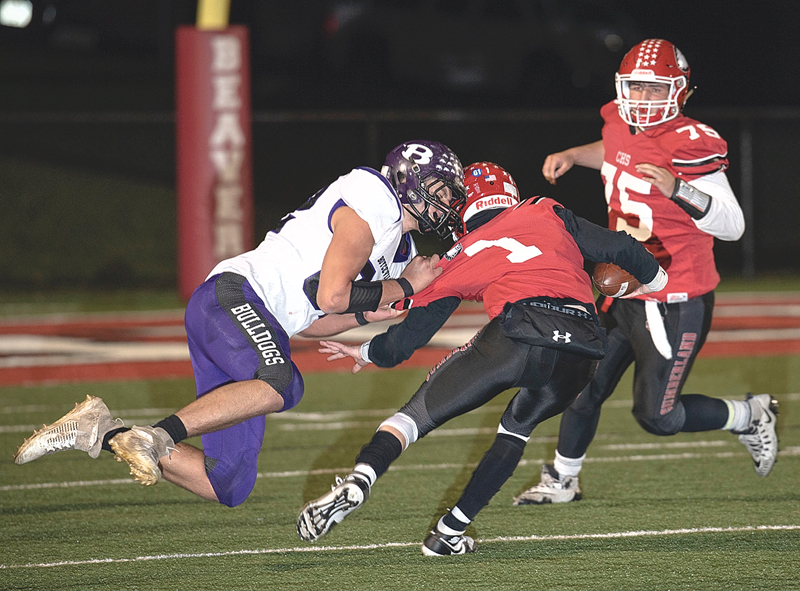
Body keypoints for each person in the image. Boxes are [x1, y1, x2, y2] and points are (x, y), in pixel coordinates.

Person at [13, 140, 468, 508]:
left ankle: (100, 428)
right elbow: (333, 292)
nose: (449, 204)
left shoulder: (398, 249)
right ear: (412, 182)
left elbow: (315, 318)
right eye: (444, 191)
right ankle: (156, 435)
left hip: (253, 320)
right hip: (233, 296)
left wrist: (371, 311)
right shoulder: (374, 198)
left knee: (225, 485)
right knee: (282, 381)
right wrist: (402, 288)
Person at [296, 162, 667, 555]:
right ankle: (448, 533)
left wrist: (369, 351)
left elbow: (408, 339)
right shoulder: (543, 210)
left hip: (519, 333)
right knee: (516, 430)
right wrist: (656, 281)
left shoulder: (459, 252)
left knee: (413, 417)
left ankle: (360, 479)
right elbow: (622, 247)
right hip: (586, 346)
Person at [512, 39, 777, 507]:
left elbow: (733, 225)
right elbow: (615, 149)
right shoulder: (619, 118)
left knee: (657, 416)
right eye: (636, 87)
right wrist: (576, 154)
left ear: (679, 91)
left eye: (656, 90)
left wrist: (680, 190)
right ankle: (563, 479)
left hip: (675, 297)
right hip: (623, 286)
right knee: (580, 386)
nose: (644, 99)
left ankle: (749, 415)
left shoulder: (692, 143)